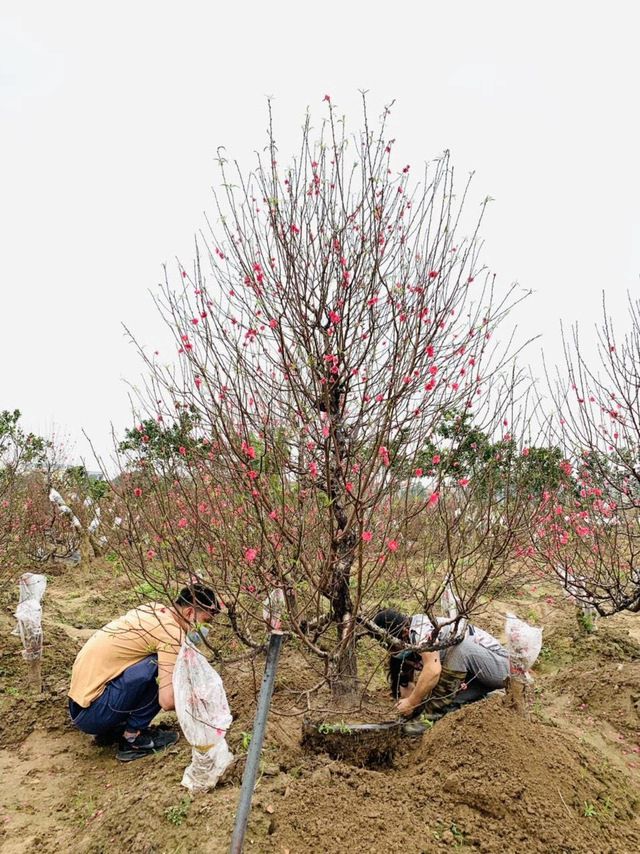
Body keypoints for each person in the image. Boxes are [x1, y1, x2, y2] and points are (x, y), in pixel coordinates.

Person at [68, 584, 221, 761]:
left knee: (156, 662)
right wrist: (202, 705)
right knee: (158, 666)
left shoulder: (154, 610)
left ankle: (113, 728)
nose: (207, 629)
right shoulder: (171, 634)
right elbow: (168, 701)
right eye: (206, 621)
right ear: (189, 613)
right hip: (94, 715)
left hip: (81, 706)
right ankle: (133, 737)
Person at [372, 608, 509, 720]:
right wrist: (406, 701)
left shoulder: (421, 631)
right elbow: (406, 687)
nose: (394, 650)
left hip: (502, 669)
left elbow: (433, 670)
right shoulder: (407, 644)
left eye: (393, 645)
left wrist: (412, 702)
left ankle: (430, 715)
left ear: (404, 632)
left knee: (460, 649)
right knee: (450, 705)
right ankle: (490, 698)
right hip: (476, 678)